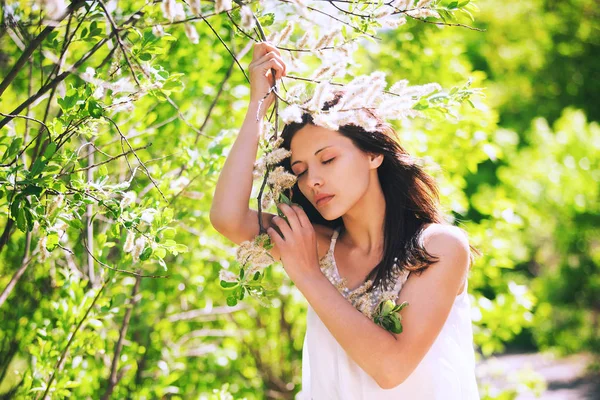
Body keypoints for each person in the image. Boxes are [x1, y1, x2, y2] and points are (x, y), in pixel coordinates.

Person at [210, 41, 481, 400]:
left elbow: (391, 369)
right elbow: (228, 218)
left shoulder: (438, 248)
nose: (312, 181)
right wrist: (258, 105)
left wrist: (308, 274)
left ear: (372, 153)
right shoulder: (316, 244)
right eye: (300, 170)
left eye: (328, 159)